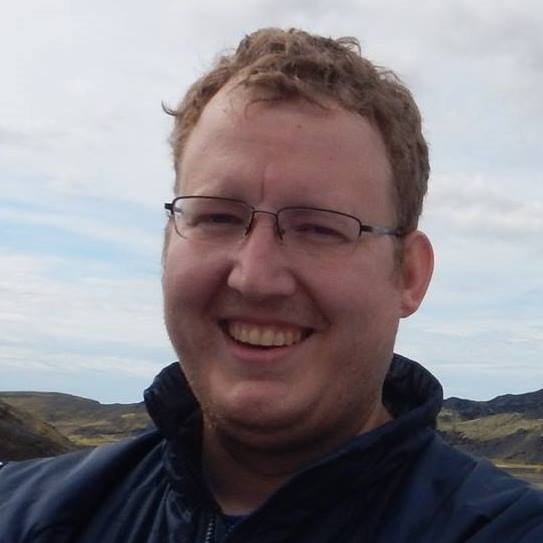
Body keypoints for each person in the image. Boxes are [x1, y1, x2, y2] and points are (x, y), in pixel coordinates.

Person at [1, 27, 542, 543]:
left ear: (409, 275)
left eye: (320, 228)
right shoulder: (23, 515)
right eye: (217, 217)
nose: (255, 277)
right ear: (168, 243)